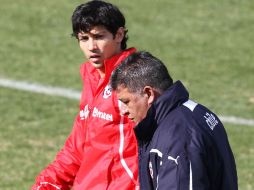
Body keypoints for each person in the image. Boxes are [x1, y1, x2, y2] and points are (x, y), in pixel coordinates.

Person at [31, 1, 139, 189]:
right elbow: (76, 149)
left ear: (119, 35)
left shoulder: (134, 82)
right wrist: (47, 183)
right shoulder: (92, 78)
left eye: (99, 37)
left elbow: (150, 154)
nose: (91, 47)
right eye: (84, 38)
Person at [110, 51, 238, 190]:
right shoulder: (193, 112)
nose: (123, 110)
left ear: (148, 94)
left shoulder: (177, 138)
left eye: (126, 101)